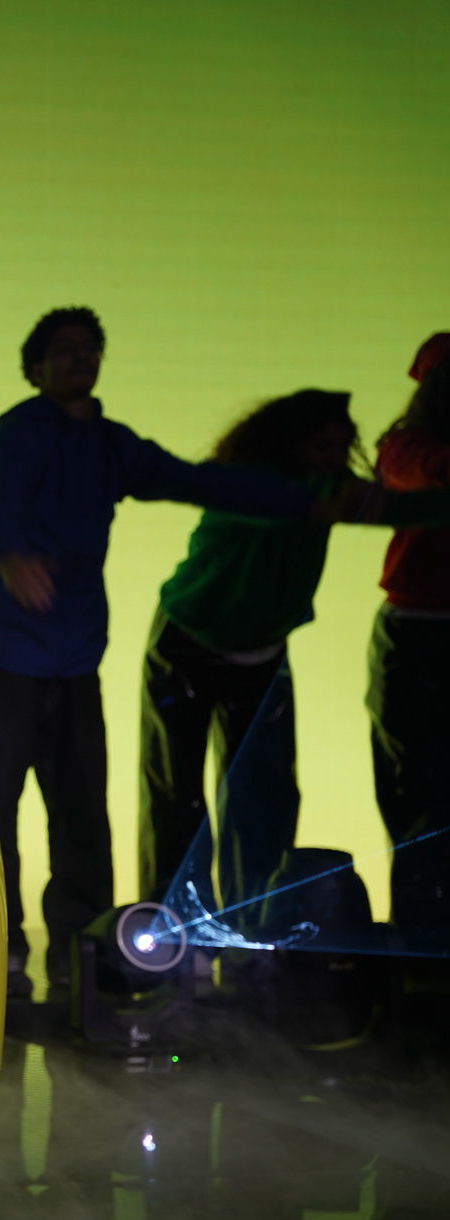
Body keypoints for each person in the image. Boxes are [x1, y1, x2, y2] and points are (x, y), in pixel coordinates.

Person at [0, 308, 317, 996]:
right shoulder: (16, 440)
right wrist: (9, 553)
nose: (80, 357)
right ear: (34, 368)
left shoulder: (110, 446)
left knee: (82, 816)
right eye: (65, 349)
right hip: (5, 662)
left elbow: (196, 480)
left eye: (90, 347)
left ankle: (79, 953)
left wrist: (299, 500)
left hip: (76, 664)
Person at [140, 390, 450, 919]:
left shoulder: (319, 494)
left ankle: (253, 933)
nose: (334, 457)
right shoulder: (254, 487)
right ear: (286, 445)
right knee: (179, 798)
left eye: (341, 447)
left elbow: (392, 508)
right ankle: (176, 932)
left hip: (262, 658)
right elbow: (297, 503)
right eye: (321, 445)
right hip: (187, 649)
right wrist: (334, 498)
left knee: (264, 801)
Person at [368, 333, 450, 944]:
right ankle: (422, 948)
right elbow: (415, 471)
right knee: (418, 795)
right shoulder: (406, 449)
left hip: (414, 632)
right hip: (417, 634)